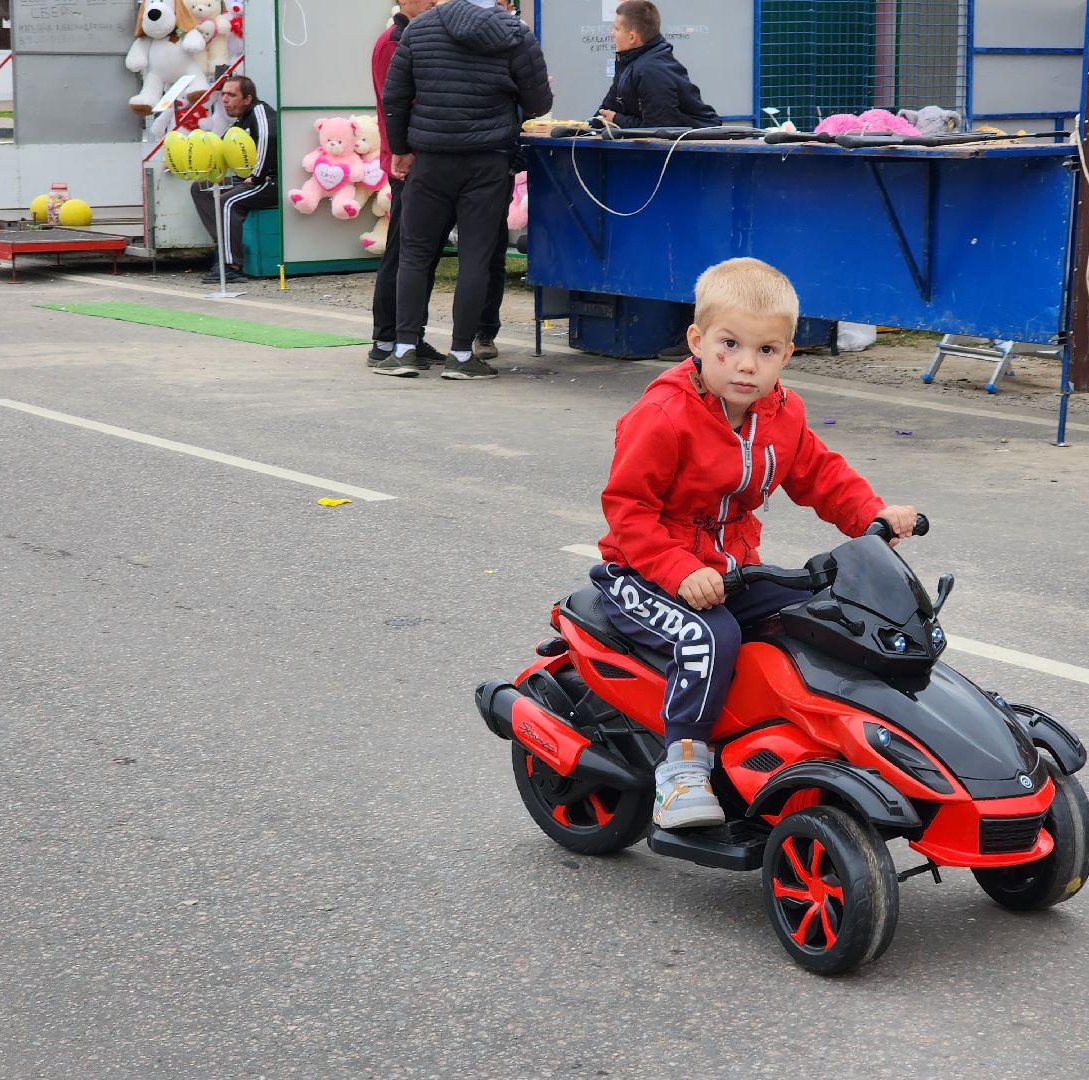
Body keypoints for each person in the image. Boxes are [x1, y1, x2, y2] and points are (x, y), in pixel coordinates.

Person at [592, 258, 917, 829]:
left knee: (819, 615)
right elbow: (627, 511)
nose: (746, 364)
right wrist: (676, 568)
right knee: (710, 635)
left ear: (787, 355)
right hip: (643, 574)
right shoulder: (664, 416)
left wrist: (873, 514)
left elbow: (819, 474)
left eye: (766, 351)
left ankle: (808, 738)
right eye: (730, 345)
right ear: (697, 340)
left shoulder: (781, 413)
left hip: (731, 573)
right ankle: (682, 768)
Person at [379, 0, 552, 380]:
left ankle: (404, 349)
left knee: (415, 253)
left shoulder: (419, 29)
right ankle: (461, 355)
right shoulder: (514, 33)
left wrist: (401, 150)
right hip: (488, 161)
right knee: (475, 256)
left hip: (431, 158)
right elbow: (539, 103)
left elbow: (393, 97)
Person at [189, 75, 277, 284]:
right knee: (200, 188)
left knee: (227, 201)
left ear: (247, 98)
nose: (225, 99)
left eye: (231, 94)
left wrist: (256, 176)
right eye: (223, 94)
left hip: (271, 181)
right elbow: (220, 148)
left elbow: (268, 138)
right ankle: (225, 245)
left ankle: (231, 266)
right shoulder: (241, 120)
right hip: (249, 180)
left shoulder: (260, 112)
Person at [597, 1, 720, 131]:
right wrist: (584, 126)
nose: (612, 34)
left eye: (616, 29)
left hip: (696, 145)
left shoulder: (652, 70)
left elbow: (659, 127)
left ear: (632, 37)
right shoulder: (627, 62)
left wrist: (617, 120)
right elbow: (608, 107)